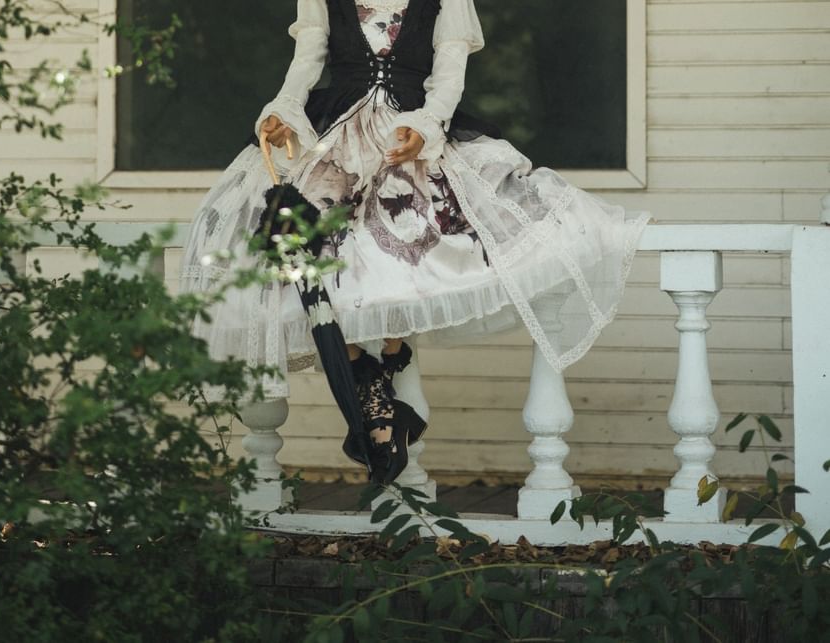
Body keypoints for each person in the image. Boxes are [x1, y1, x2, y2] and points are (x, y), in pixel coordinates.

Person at [179, 0, 652, 484]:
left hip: (409, 132)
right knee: (307, 248)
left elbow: (448, 76)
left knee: (405, 244)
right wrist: (283, 111)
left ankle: (386, 371)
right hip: (338, 133)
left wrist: (426, 127)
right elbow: (307, 61)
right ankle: (365, 377)